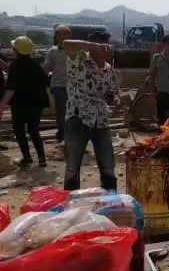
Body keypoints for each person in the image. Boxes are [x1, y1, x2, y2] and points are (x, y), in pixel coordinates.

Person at [60, 35, 120, 190]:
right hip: (77, 118)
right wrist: (93, 46)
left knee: (108, 165)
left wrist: (115, 101)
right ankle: (71, 200)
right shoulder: (79, 59)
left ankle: (110, 197)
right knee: (72, 167)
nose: (106, 49)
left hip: (101, 120)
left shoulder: (109, 69)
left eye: (107, 45)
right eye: (102, 46)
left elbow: (113, 94)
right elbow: (66, 44)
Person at [0, 37, 50, 167]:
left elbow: (10, 89)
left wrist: (1, 106)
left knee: (19, 130)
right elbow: (46, 83)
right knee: (34, 130)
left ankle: (27, 158)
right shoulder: (36, 65)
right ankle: (42, 158)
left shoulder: (15, 66)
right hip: (37, 104)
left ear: (16, 50)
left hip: (20, 104)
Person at [44, 24, 71, 142]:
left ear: (68, 35)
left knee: (73, 111)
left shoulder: (75, 50)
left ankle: (72, 134)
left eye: (64, 34)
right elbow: (46, 69)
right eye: (59, 35)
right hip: (58, 86)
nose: (61, 37)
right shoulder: (52, 51)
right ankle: (62, 134)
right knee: (61, 111)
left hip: (73, 86)